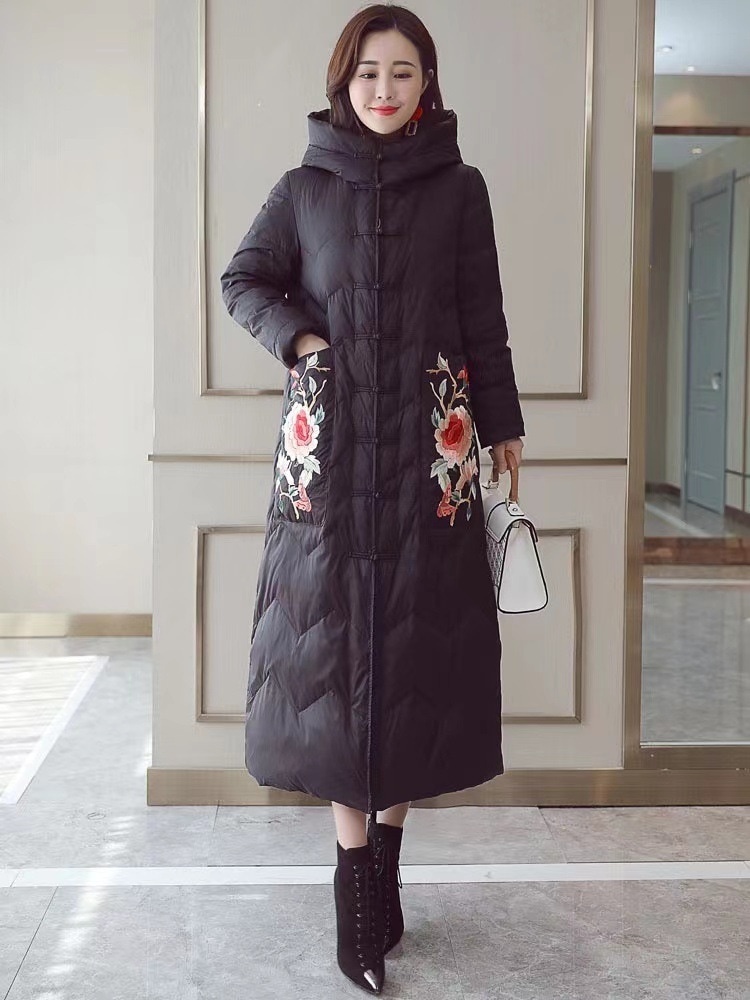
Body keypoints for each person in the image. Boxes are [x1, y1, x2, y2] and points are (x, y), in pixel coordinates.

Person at [220, 3, 525, 993]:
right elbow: (243, 279)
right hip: (330, 467)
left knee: (414, 668)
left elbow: (483, 315)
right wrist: (305, 343)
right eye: (368, 73)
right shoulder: (303, 188)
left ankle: (385, 875)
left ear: (426, 84)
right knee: (334, 662)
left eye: (402, 72)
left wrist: (503, 422)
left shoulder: (461, 190)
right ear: (342, 83)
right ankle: (355, 897)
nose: (384, 89)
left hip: (431, 461)